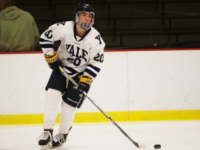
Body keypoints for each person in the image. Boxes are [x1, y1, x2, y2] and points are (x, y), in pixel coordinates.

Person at [38, 2, 105, 150]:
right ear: (76, 16)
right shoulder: (63, 28)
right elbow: (45, 38)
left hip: (80, 75)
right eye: (83, 15)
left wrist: (86, 80)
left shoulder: (96, 39)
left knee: (68, 107)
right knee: (51, 97)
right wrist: (50, 56)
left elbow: (97, 62)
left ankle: (62, 135)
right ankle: (47, 132)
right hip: (61, 69)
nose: (86, 19)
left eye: (89, 16)